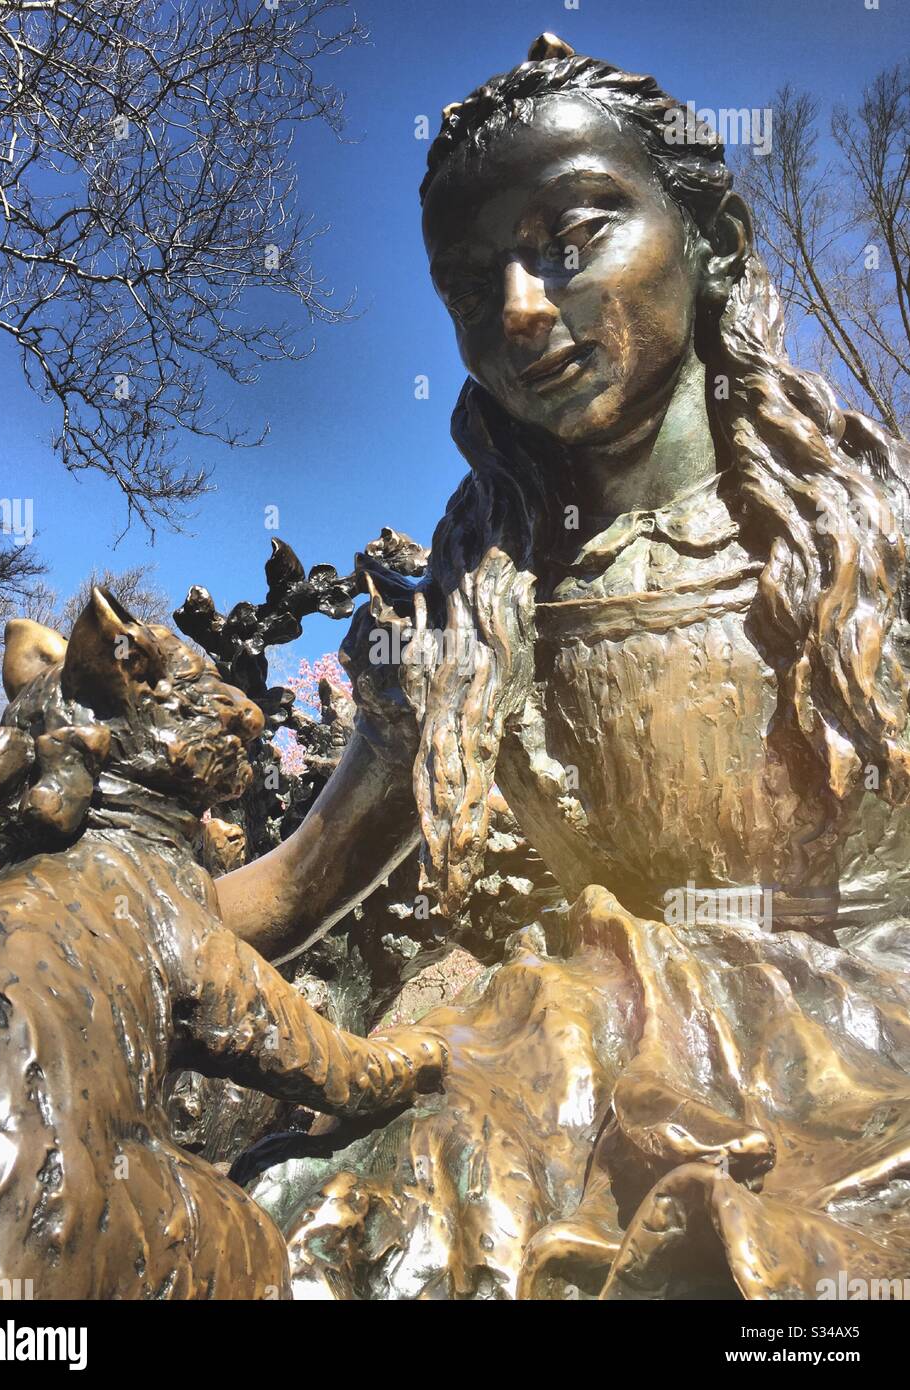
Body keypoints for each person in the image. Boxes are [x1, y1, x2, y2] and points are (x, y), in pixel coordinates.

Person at [220, 34, 910, 1299]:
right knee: (297, 1215)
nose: (520, 310)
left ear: (705, 246)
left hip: (870, 1061)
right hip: (579, 1058)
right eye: (473, 283)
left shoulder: (875, 541)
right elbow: (283, 897)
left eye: (571, 238)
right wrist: (78, 910)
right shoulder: (470, 615)